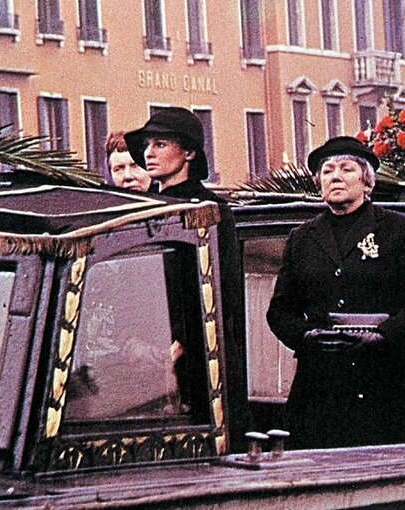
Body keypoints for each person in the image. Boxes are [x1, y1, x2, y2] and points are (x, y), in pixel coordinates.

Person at [266, 136, 405, 449]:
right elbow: (279, 312)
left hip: (389, 386)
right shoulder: (302, 238)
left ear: (366, 182)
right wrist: (307, 336)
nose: (335, 176)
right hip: (323, 388)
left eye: (346, 169)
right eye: (328, 170)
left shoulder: (398, 230)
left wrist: (384, 335)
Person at [124, 107, 250, 449]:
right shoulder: (140, 207)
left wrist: (184, 341)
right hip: (142, 352)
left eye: (161, 144)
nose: (149, 153)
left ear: (189, 152)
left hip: (197, 355)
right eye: (147, 145)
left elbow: (224, 286)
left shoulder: (211, 209)